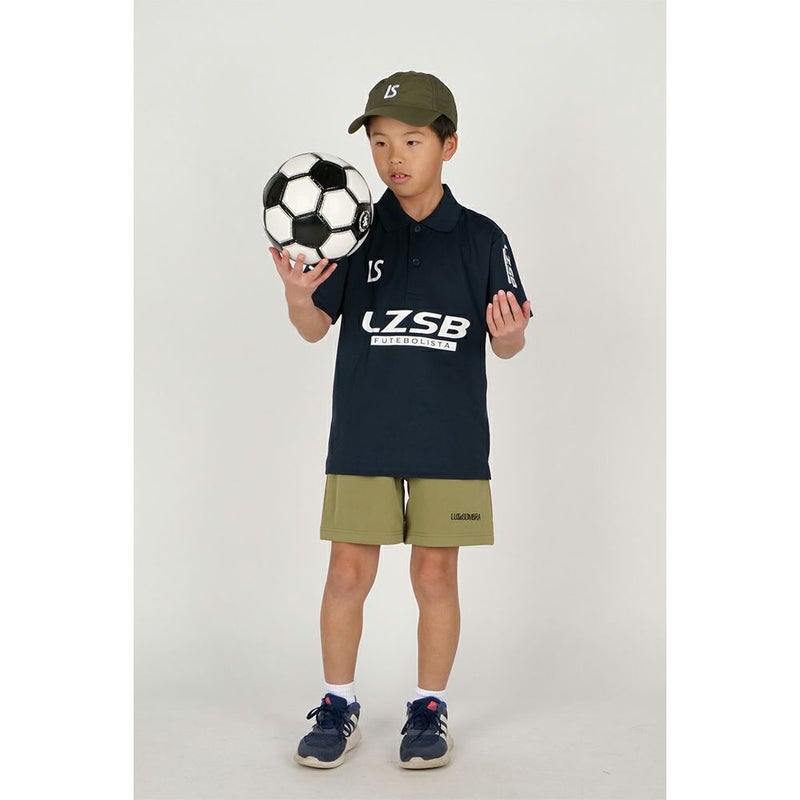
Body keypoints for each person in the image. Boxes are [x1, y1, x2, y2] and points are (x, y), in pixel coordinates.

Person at [269, 70, 532, 770]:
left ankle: (429, 709)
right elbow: (314, 328)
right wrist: (297, 297)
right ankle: (338, 704)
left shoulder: (482, 238)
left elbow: (509, 341)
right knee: (347, 572)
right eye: (381, 142)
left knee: (435, 576)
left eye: (412, 141)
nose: (394, 157)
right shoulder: (351, 230)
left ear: (449, 146)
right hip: (364, 434)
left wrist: (509, 337)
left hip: (450, 440)